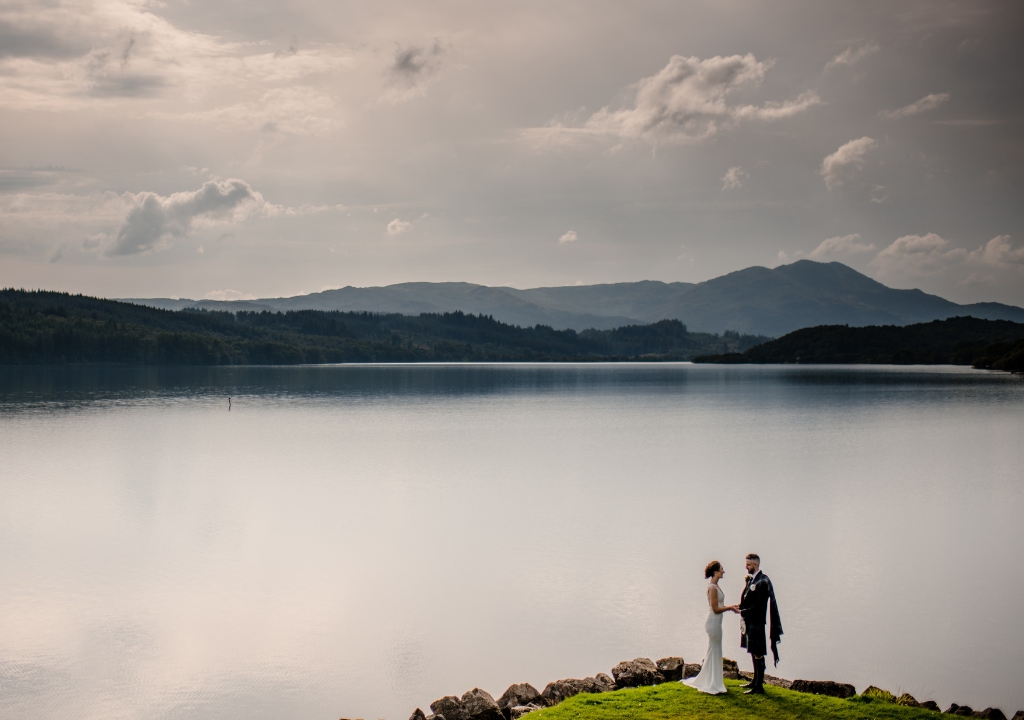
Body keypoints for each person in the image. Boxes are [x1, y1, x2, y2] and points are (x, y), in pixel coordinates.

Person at [683, 560, 740, 695]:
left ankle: (713, 680)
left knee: (714, 651)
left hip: (716, 622)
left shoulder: (715, 585)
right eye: (721, 569)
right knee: (714, 650)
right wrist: (730, 608)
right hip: (713, 622)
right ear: (715, 572)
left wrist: (731, 606)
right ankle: (713, 683)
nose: (723, 571)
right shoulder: (713, 588)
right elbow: (715, 609)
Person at [738, 553, 783, 695]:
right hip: (750, 621)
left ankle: (759, 686)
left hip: (757, 621)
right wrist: (740, 607)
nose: (746, 567)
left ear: (756, 565)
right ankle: (755, 680)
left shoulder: (763, 581)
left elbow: (759, 606)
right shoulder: (753, 579)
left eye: (748, 565)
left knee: (758, 653)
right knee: (753, 651)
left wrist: (743, 611)